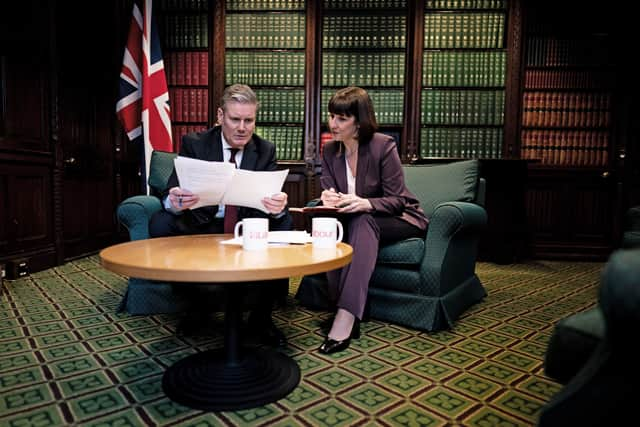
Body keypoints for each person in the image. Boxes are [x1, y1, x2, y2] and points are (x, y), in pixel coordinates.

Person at [149, 83, 291, 347]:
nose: (242, 127)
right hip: (203, 222)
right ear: (220, 116)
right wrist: (175, 201)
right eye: (235, 119)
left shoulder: (265, 149)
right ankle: (195, 307)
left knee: (285, 223)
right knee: (161, 221)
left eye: (249, 120)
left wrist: (278, 205)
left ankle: (262, 318)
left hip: (246, 225)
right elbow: (171, 192)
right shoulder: (195, 143)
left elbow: (273, 195)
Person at [317, 86, 429, 354]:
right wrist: (327, 198)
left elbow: (398, 200)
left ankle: (345, 315)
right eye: (332, 116)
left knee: (363, 220)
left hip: (398, 217)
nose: (333, 124)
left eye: (342, 118)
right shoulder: (330, 150)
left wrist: (366, 203)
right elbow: (330, 190)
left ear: (359, 122)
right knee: (334, 224)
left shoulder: (382, 145)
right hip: (355, 220)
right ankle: (346, 307)